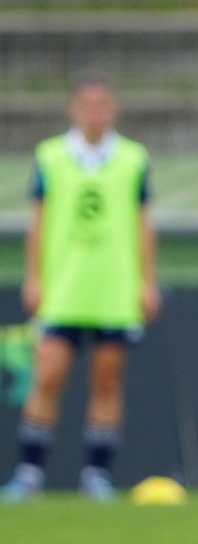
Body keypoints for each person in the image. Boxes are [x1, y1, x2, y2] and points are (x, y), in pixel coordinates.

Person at [3, 78, 159, 503]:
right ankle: (29, 474)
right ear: (74, 109)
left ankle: (97, 476)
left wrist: (147, 281)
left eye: (101, 104)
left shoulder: (132, 158)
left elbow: (143, 224)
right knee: (48, 375)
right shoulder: (51, 156)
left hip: (114, 286)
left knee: (106, 380)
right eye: (87, 104)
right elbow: (38, 221)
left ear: (112, 109)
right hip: (64, 286)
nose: (94, 112)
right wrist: (33, 276)